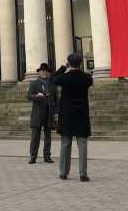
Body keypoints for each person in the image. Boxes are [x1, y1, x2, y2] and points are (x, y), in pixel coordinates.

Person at [51, 54, 93, 182]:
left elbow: (53, 78)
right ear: (80, 64)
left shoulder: (65, 77)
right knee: (83, 144)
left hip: (67, 115)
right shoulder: (86, 78)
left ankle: (63, 172)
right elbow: (90, 80)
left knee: (65, 144)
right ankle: (83, 174)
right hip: (81, 115)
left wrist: (63, 67)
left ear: (69, 63)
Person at [27, 63, 58, 164]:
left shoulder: (53, 84)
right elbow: (29, 96)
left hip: (49, 113)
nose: (44, 72)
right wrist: (37, 95)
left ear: (48, 72)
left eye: (46, 70)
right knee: (35, 136)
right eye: (42, 70)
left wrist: (57, 112)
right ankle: (33, 156)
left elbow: (57, 100)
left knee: (48, 136)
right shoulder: (34, 83)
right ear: (39, 72)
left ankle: (47, 156)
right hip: (38, 113)